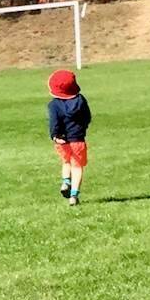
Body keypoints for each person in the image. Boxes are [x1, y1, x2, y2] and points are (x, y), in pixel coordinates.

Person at [48, 69, 93, 206]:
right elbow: (87, 117)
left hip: (63, 140)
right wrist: (82, 128)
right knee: (77, 166)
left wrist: (55, 135)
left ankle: (65, 181)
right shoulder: (81, 101)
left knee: (66, 162)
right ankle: (74, 195)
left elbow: (54, 122)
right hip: (78, 139)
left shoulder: (54, 105)